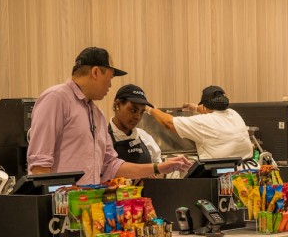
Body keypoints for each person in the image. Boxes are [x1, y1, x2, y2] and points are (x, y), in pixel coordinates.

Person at [27, 47, 191, 184]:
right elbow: (40, 163)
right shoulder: (56, 98)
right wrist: (51, 207)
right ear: (96, 72)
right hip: (63, 209)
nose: (110, 85)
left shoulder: (96, 113)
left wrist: (159, 167)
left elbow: (111, 165)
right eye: (110, 78)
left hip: (90, 207)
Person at [148, 85, 253, 161]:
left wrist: (148, 109)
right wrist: (193, 107)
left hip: (223, 178)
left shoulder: (203, 122)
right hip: (249, 173)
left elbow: (168, 122)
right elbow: (209, 109)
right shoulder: (234, 114)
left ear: (205, 106)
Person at [108, 84, 163, 165]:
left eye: (141, 112)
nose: (137, 117)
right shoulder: (103, 139)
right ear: (117, 105)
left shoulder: (144, 137)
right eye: (133, 110)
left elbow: (159, 166)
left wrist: (154, 172)